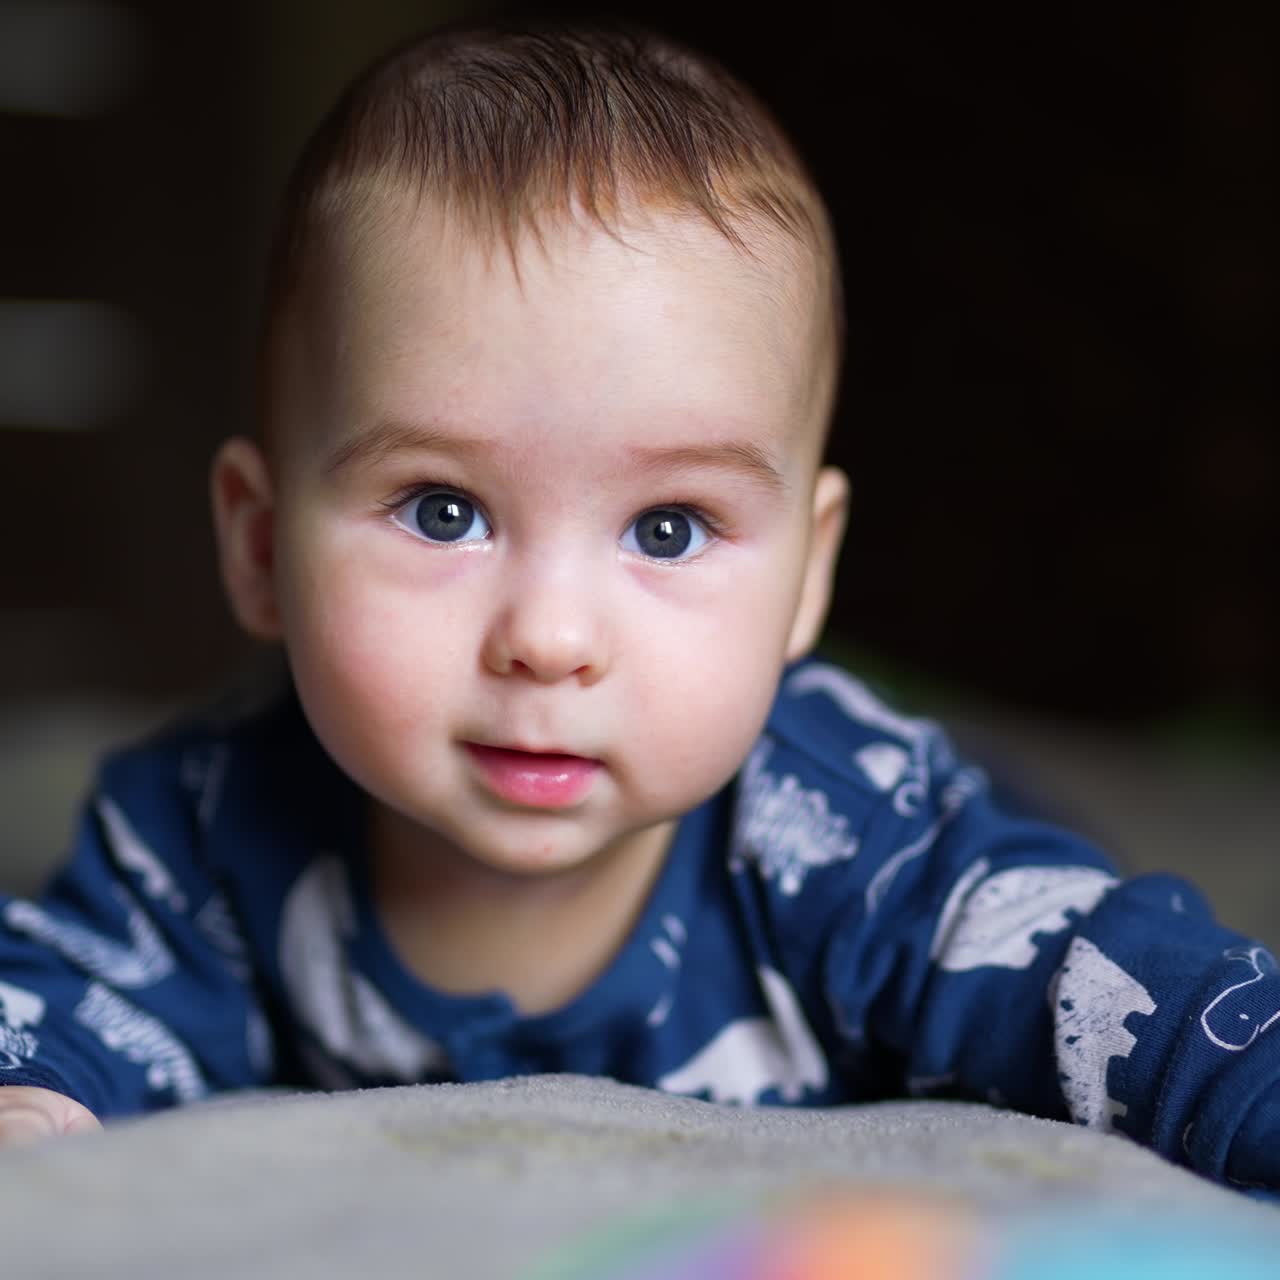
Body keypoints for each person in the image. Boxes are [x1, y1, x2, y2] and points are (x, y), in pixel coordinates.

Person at [0, 18, 1275, 1193]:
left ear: (806, 575)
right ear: (262, 544)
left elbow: (1130, 995)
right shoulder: (201, 828)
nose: (549, 639)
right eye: (443, 508)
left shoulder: (855, 840)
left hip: (950, 808)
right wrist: (33, 1091)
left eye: (667, 529)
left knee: (1027, 852)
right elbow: (61, 991)